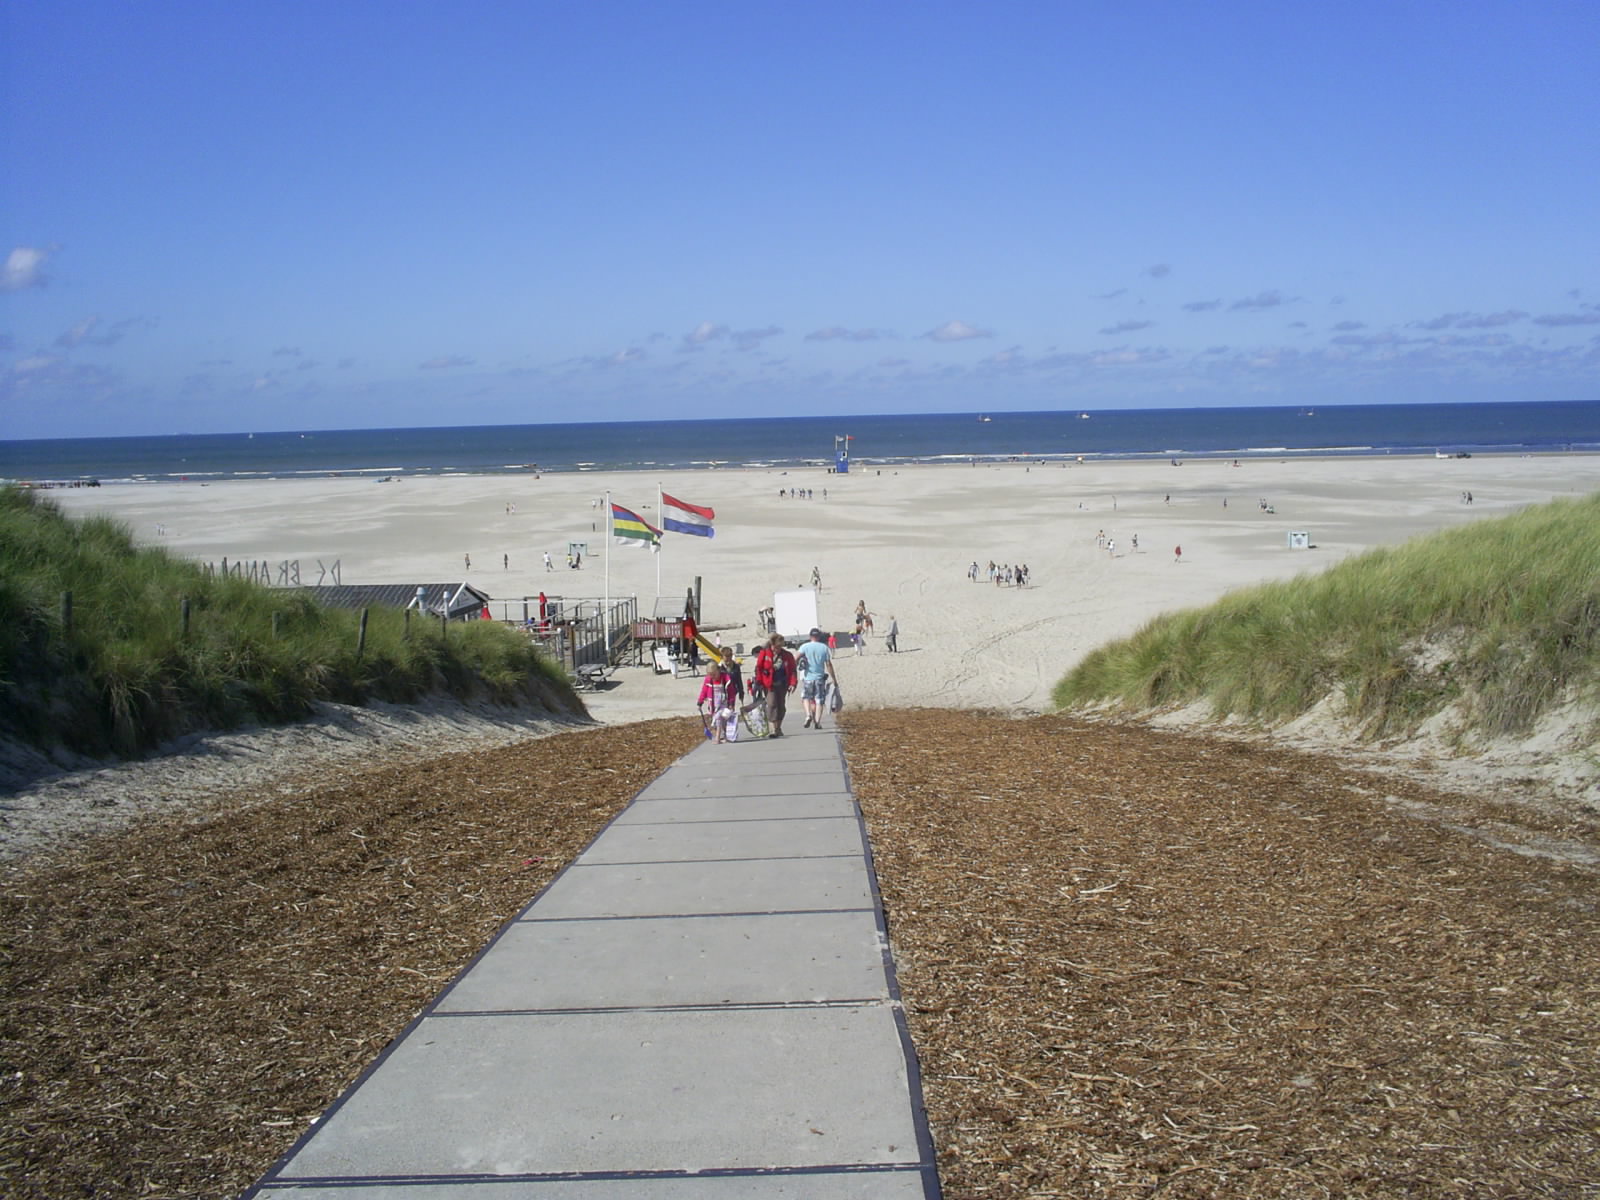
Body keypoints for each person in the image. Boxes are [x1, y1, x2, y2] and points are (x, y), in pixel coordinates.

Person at [754, 633, 797, 736]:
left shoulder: (787, 655)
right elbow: (758, 669)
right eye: (776, 647)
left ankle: (778, 728)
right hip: (768, 684)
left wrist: (793, 683)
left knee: (781, 706)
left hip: (782, 684)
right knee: (772, 704)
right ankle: (773, 729)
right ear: (771, 645)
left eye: (780, 647)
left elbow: (792, 671)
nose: (778, 649)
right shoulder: (764, 654)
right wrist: (759, 682)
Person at [795, 626, 839, 730]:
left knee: (806, 697)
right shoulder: (824, 647)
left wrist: (798, 666)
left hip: (808, 678)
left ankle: (808, 715)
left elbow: (796, 658)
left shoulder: (804, 646)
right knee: (819, 700)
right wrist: (834, 679)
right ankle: (818, 722)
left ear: (810, 636)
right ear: (819, 636)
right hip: (819, 678)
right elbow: (828, 664)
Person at [696, 661, 738, 744]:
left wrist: (731, 703)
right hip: (713, 703)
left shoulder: (725, 678)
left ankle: (717, 738)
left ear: (718, 671)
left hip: (723, 702)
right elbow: (704, 690)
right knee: (718, 720)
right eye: (710, 675)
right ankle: (726, 736)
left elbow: (731, 692)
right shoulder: (708, 679)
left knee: (719, 717)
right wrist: (700, 701)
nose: (712, 677)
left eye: (714, 674)